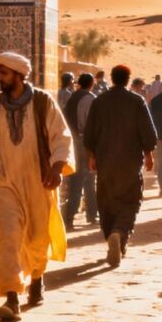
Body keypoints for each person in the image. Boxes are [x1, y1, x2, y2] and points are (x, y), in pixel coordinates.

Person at [0, 52, 73, 322]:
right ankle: (11, 296)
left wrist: (56, 167)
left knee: (38, 237)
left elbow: (61, 135)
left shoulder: (42, 102)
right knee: (7, 236)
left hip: (37, 179)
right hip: (2, 180)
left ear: (19, 74)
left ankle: (37, 279)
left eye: (4, 73)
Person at [83, 65, 157, 267]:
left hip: (105, 161)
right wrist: (149, 155)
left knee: (106, 201)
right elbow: (148, 133)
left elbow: (89, 133)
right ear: (128, 79)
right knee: (131, 201)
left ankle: (112, 236)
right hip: (131, 162)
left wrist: (92, 156)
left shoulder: (99, 101)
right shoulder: (137, 101)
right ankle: (119, 233)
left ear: (112, 78)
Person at [62, 73, 97, 231]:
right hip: (84, 144)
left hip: (73, 143)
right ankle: (75, 216)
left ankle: (86, 214)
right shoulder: (89, 99)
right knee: (85, 180)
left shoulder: (72, 98)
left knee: (80, 181)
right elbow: (91, 123)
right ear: (92, 83)